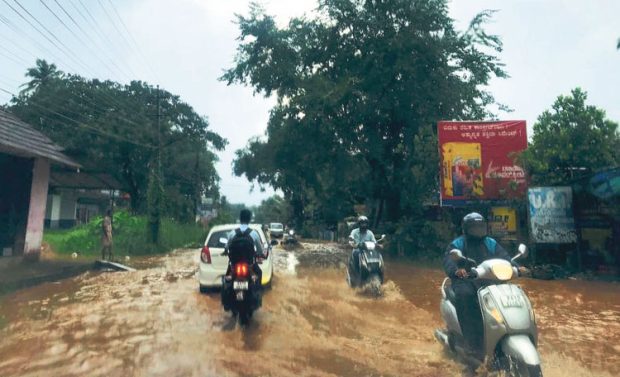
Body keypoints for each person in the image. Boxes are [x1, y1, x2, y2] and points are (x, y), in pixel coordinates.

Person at [443, 212, 511, 358]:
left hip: (489, 281)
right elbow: (449, 260)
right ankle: (472, 343)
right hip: (465, 281)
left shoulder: (490, 243)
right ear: (467, 229)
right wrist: (457, 271)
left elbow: (505, 258)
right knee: (466, 296)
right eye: (474, 228)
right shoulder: (458, 243)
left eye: (480, 227)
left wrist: (517, 267)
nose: (478, 230)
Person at [221, 209, 265, 310]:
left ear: (240, 219)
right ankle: (258, 297)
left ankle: (227, 302)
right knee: (259, 274)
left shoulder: (232, 233)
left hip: (234, 266)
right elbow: (259, 250)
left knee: (226, 279)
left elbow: (227, 247)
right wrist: (261, 254)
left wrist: (225, 251)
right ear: (249, 219)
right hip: (249, 266)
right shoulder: (254, 234)